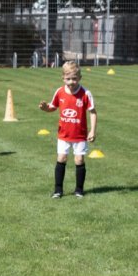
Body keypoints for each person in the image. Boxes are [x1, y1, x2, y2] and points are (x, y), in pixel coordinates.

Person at [38, 60, 97, 198]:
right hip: (64, 134)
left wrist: (92, 130)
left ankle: (79, 190)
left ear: (80, 78)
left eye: (74, 79)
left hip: (80, 135)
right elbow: (53, 107)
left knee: (79, 160)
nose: (71, 82)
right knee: (62, 158)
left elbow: (92, 112)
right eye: (68, 79)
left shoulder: (85, 94)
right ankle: (58, 190)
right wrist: (45, 108)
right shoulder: (59, 92)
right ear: (63, 78)